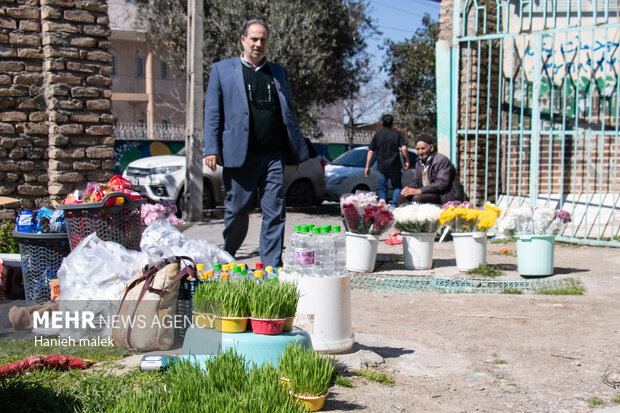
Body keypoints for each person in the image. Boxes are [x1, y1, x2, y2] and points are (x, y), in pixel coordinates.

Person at [203, 19, 309, 268]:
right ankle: (228, 256)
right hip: (241, 154)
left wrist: (294, 153)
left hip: (273, 154)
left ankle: (272, 267)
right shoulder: (222, 70)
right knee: (238, 210)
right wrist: (211, 148)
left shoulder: (278, 72)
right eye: (253, 39)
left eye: (263, 39)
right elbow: (212, 112)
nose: (258, 44)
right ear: (243, 40)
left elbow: (288, 114)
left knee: (275, 211)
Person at [397, 133, 460, 205]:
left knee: (418, 198)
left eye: (423, 148)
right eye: (418, 149)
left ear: (431, 148)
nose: (420, 152)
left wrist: (419, 190)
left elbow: (441, 184)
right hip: (426, 192)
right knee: (402, 197)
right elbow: (416, 181)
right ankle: (406, 216)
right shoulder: (419, 162)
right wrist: (409, 189)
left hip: (442, 195)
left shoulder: (441, 160)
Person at [364, 114, 410, 206]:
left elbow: (370, 152)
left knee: (382, 188)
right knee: (397, 186)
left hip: (381, 167)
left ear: (381, 123)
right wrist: (407, 161)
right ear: (392, 123)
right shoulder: (397, 134)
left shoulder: (377, 135)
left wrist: (367, 167)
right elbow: (404, 148)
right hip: (395, 166)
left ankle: (383, 206)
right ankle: (394, 205)